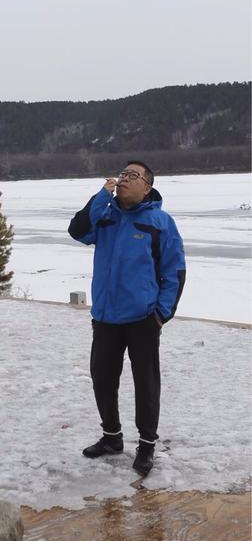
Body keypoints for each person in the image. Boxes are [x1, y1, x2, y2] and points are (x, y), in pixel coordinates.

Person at [68, 161, 186, 475]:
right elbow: (77, 230)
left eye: (133, 176)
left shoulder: (160, 222)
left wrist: (160, 315)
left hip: (142, 318)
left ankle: (146, 445)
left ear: (147, 186)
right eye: (123, 174)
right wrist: (99, 196)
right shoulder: (104, 215)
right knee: (103, 379)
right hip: (106, 316)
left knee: (145, 384)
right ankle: (111, 438)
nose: (124, 179)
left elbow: (174, 271)